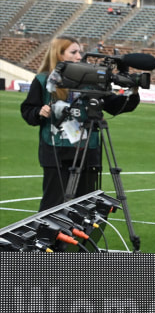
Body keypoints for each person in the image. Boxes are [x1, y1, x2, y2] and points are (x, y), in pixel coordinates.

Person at [20, 35, 140, 211]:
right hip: (55, 150)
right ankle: (50, 238)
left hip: (87, 150)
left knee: (85, 205)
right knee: (54, 204)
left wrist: (133, 90)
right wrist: (39, 112)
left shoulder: (92, 81)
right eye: (74, 52)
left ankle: (82, 239)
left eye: (80, 52)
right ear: (59, 55)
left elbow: (116, 106)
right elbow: (28, 111)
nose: (79, 56)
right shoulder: (43, 80)